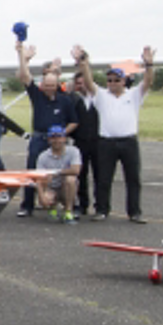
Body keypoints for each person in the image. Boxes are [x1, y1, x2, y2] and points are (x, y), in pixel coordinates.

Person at [75, 46, 155, 223]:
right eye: (109, 80)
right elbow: (88, 83)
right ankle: (102, 210)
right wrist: (84, 63)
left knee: (133, 178)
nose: (112, 83)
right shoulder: (101, 95)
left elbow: (148, 82)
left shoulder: (134, 95)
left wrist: (148, 64)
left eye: (116, 80)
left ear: (124, 81)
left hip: (129, 141)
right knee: (103, 178)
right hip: (106, 142)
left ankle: (134, 212)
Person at [14, 40, 78, 217]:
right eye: (46, 85)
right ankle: (27, 206)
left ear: (58, 85)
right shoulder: (38, 96)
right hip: (39, 138)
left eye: (53, 85)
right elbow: (25, 77)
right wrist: (23, 57)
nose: (49, 88)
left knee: (64, 174)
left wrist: (62, 134)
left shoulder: (65, 100)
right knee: (32, 171)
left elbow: (74, 121)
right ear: (42, 84)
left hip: (58, 141)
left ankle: (70, 205)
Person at [69, 68, 100, 217]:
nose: (81, 86)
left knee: (100, 176)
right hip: (80, 141)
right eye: (78, 83)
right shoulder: (74, 100)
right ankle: (82, 205)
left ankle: (100, 206)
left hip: (99, 142)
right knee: (81, 175)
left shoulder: (100, 98)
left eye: (84, 82)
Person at [34, 125, 81, 223]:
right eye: (53, 138)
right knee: (45, 184)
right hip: (51, 187)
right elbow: (38, 178)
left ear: (64, 138)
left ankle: (68, 212)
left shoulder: (73, 151)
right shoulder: (43, 156)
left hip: (65, 187)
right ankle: (52, 209)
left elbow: (76, 170)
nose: (56, 141)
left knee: (70, 179)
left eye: (59, 137)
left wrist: (55, 172)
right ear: (49, 139)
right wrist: (41, 196)